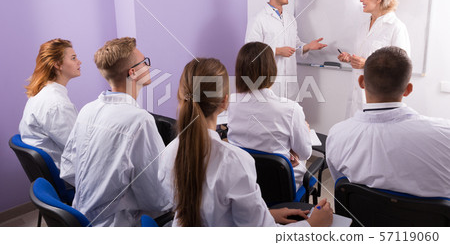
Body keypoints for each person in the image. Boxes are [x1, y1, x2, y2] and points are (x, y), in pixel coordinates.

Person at [158, 58, 332, 227]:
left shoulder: (167, 153)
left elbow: (213, 216)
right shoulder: (235, 162)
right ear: (225, 102)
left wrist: (267, 214)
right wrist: (312, 225)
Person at [60, 37, 170, 226]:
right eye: (146, 63)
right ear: (133, 72)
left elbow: (68, 169)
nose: (149, 67)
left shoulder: (88, 109)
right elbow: (158, 199)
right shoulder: (139, 120)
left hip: (80, 216)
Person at [327, 47, 450, 198]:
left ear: (361, 82)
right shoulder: (445, 133)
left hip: (363, 219)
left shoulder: (337, 135)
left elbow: (342, 184)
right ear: (408, 89)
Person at [227, 42, 312, 190]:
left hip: (241, 183)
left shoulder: (231, 103)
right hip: (279, 187)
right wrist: (303, 132)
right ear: (272, 69)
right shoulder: (290, 109)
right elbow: (305, 153)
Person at [246, 0, 327, 100]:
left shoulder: (290, 19)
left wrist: (307, 46)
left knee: (291, 118)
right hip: (269, 86)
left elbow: (294, 44)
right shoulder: (259, 19)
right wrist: (277, 51)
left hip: (290, 86)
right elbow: (250, 53)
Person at [338, 0, 411, 118]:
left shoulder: (396, 27)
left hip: (380, 98)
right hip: (357, 94)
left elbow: (401, 67)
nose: (360, 0)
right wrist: (351, 59)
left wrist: (366, 64)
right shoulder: (363, 26)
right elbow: (364, 56)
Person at [19, 38, 81, 169]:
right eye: (73, 58)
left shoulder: (42, 94)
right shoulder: (57, 104)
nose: (79, 62)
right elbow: (79, 149)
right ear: (58, 65)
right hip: (68, 176)